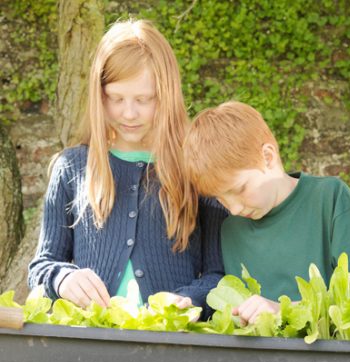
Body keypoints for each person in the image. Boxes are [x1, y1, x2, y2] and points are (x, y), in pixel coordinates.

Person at [28, 19, 225, 314]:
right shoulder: (72, 168)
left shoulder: (197, 169)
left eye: (143, 100)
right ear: (99, 95)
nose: (129, 113)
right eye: (116, 98)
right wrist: (63, 278)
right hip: (89, 352)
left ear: (167, 95)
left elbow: (219, 277)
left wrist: (190, 299)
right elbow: (41, 268)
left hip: (176, 351)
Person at [183, 101, 350, 325]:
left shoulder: (329, 198)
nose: (234, 209)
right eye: (220, 199)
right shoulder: (230, 227)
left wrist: (283, 310)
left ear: (268, 157)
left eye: (240, 189)